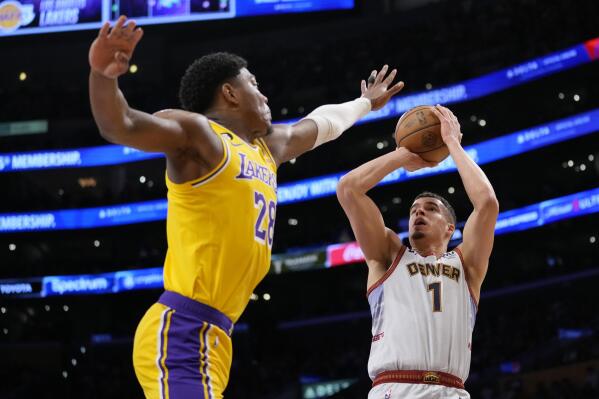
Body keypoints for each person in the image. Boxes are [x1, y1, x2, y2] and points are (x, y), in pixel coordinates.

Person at [88, 15, 405, 399]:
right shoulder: (199, 135)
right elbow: (119, 124)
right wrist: (103, 75)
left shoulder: (266, 148)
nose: (265, 96)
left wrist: (365, 102)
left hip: (217, 335)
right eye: (254, 84)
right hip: (181, 329)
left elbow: (320, 125)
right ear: (230, 93)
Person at [336, 105, 499, 399]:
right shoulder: (388, 255)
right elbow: (349, 189)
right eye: (413, 210)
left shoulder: (468, 264)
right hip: (394, 388)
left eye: (430, 209)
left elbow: (486, 202)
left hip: (452, 391)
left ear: (450, 228)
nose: (418, 213)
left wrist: (452, 143)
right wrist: (403, 156)